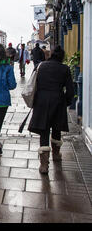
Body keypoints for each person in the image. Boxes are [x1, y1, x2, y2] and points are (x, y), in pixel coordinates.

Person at [28, 46, 74, 174]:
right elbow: (70, 91)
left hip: (41, 101)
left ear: (51, 54)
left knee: (44, 130)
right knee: (56, 127)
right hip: (58, 100)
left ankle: (44, 164)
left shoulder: (41, 66)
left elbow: (33, 84)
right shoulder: (65, 69)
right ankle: (56, 154)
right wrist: (66, 101)